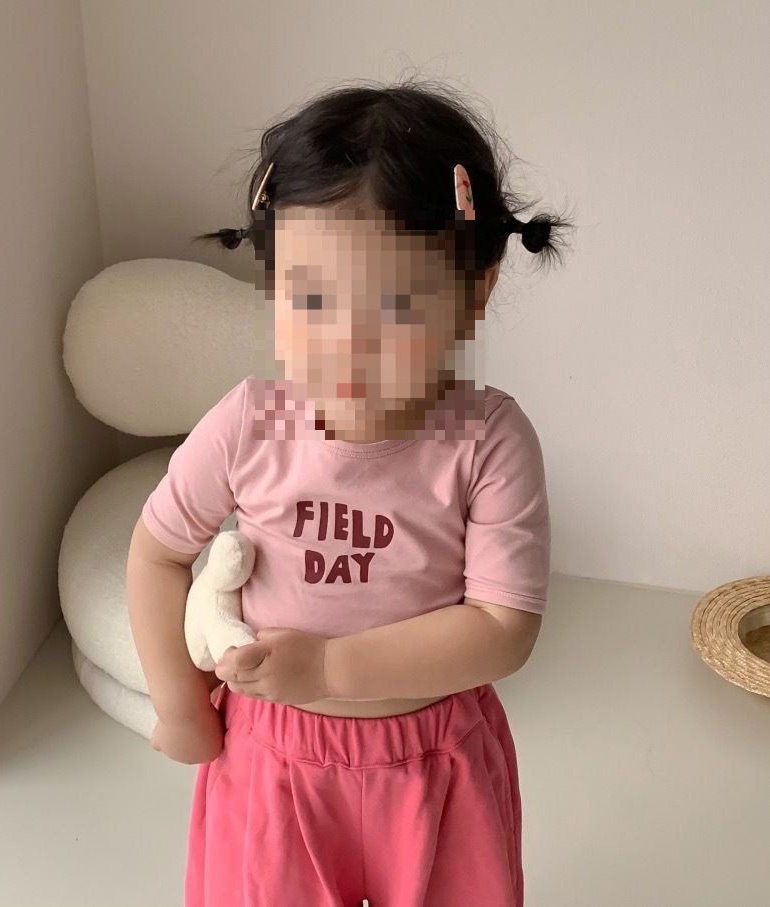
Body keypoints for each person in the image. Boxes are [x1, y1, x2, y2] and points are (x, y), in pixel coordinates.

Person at [126, 76, 574, 907]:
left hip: (436, 758)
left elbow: (501, 629)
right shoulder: (248, 423)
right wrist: (177, 700)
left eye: (395, 304)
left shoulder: (488, 439)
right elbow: (155, 553)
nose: (346, 341)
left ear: (473, 293)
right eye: (310, 299)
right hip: (271, 759)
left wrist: (331, 665)